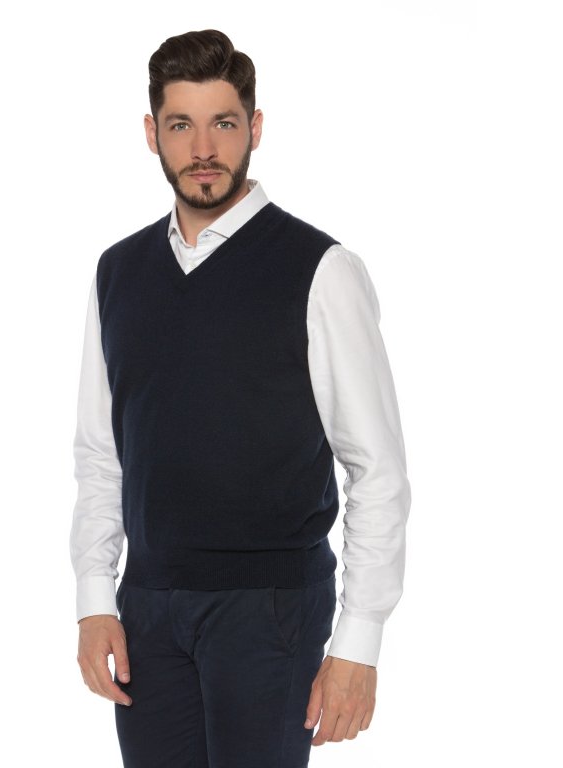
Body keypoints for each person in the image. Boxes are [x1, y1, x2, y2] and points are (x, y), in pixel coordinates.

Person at [70, 29, 412, 768]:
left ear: (254, 128)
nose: (203, 148)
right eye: (180, 125)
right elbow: (102, 453)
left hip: (271, 610)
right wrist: (96, 598)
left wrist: (359, 641)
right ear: (152, 134)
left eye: (223, 123)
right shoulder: (118, 273)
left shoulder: (319, 270)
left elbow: (377, 468)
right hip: (149, 607)